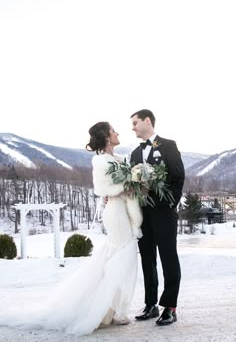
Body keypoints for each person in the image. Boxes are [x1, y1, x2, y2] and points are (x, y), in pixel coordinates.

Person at [0, 122, 142, 337]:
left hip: (124, 210)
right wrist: (127, 185)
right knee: (121, 256)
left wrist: (138, 183)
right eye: (113, 131)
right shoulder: (101, 161)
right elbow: (102, 188)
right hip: (115, 213)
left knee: (118, 257)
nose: (117, 132)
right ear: (105, 137)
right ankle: (111, 310)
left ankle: (110, 308)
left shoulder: (120, 160)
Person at [130, 109, 185, 325]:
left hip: (164, 212)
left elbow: (178, 176)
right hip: (143, 214)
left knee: (168, 257)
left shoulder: (168, 145)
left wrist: (170, 203)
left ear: (147, 121)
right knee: (147, 259)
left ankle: (170, 307)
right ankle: (151, 304)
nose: (133, 127)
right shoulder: (135, 153)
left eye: (135, 122)